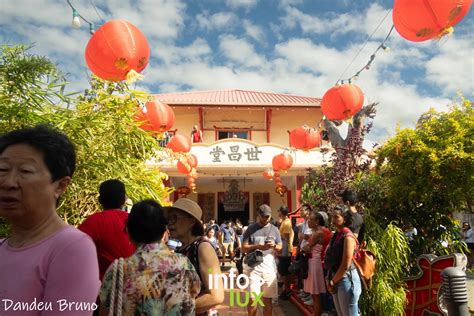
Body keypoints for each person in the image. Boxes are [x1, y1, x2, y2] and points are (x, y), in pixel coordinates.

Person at [0, 125, 100, 314]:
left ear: (60, 186)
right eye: (3, 169)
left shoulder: (72, 247)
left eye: (25, 171)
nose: (8, 183)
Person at [99, 199, 201, 315]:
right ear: (164, 231)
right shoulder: (184, 265)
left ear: (128, 232)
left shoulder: (119, 269)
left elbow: (104, 312)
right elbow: (193, 296)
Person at [165, 198, 225, 315]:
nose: (170, 223)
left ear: (191, 222)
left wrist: (177, 311)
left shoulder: (203, 248)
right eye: (168, 219)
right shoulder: (181, 248)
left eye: (175, 218)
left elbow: (216, 296)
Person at [79, 179, 136, 281]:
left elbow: (75, 248)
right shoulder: (136, 221)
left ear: (100, 199)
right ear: (124, 199)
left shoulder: (95, 221)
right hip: (134, 284)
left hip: (102, 287)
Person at [242, 204, 282, 316]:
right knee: (253, 299)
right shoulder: (251, 229)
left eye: (268, 216)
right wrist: (257, 246)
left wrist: (273, 245)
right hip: (254, 267)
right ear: (258, 215)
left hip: (269, 267)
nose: (266, 219)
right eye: (263, 216)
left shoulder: (275, 229)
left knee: (267, 300)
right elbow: (243, 248)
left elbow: (280, 248)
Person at [324, 205, 361, 316]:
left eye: (336, 217)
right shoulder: (337, 235)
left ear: (344, 219)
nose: (333, 220)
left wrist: (333, 281)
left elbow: (346, 264)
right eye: (332, 217)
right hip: (336, 278)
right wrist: (330, 278)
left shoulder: (348, 237)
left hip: (346, 280)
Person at [302, 212, 327, 316]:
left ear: (317, 222)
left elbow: (306, 248)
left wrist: (305, 244)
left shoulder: (318, 233)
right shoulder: (316, 232)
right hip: (313, 262)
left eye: (311, 219)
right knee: (314, 293)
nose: (309, 221)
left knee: (315, 293)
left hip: (314, 263)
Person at [277, 205, 294, 300]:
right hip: (283, 249)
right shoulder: (284, 222)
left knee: (285, 271)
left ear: (282, 212)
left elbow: (287, 238)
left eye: (279, 211)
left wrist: (287, 251)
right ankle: (285, 289)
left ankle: (287, 290)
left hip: (285, 249)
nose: (278, 213)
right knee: (283, 271)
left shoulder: (287, 222)